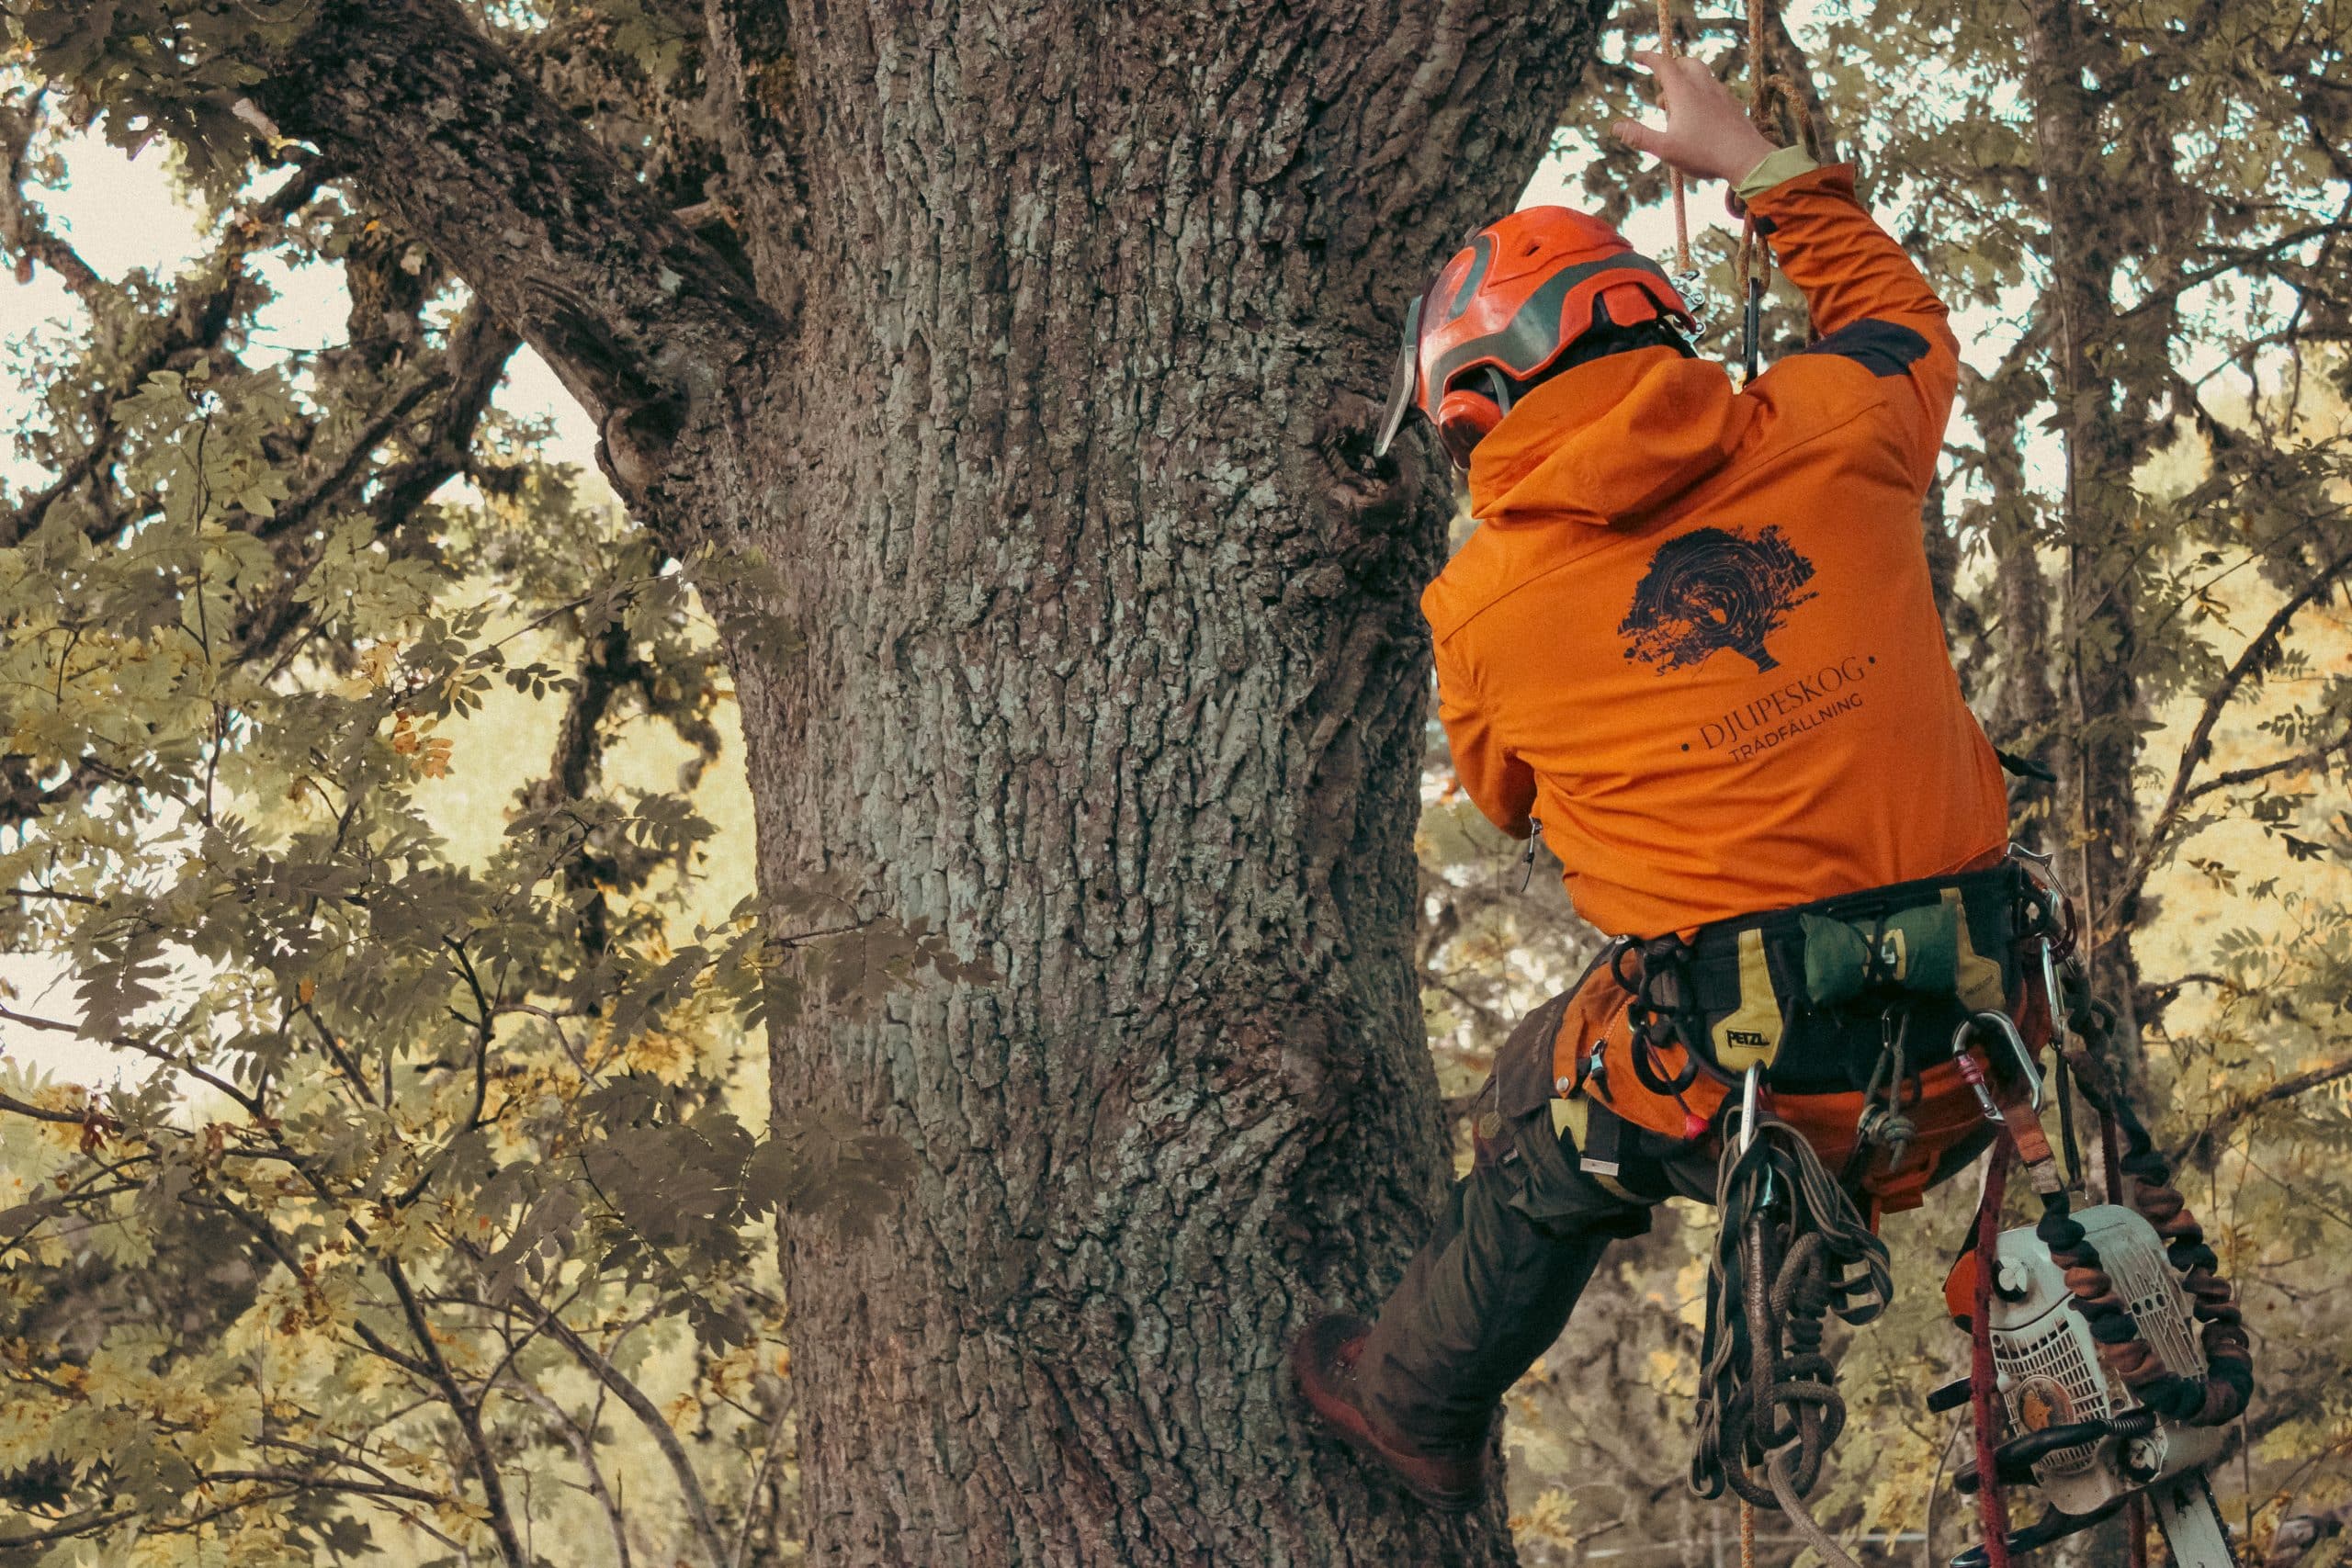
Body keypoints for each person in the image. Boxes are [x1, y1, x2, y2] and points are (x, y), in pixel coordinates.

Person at [1293, 51, 2040, 1511]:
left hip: (1746, 1086)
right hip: (1971, 1054)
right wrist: (1753, 163)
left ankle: (1408, 1402)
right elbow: (1900, 320)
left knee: (1541, 1110)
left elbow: (1504, 797)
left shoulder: (1483, 606)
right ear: (1645, 316)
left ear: (1480, 397)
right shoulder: (1834, 421)